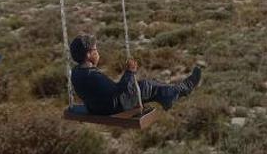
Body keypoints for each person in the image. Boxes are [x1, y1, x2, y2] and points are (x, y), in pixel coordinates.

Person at [68, 33, 201, 115]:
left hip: (95, 108)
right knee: (147, 86)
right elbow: (118, 93)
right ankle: (182, 89)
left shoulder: (76, 73)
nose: (98, 53)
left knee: (148, 84)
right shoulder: (93, 76)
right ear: (88, 54)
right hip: (111, 107)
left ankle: (169, 95)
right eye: (95, 50)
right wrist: (129, 72)